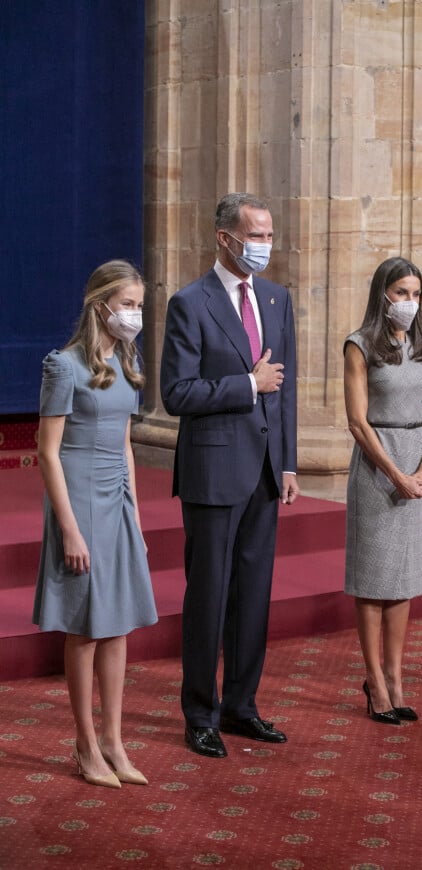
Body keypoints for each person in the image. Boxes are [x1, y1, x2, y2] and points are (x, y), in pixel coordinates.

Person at [160, 192, 299, 759]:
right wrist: (247, 385)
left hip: (266, 472)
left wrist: (288, 462)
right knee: (210, 597)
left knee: (253, 598)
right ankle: (200, 713)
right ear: (225, 238)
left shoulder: (276, 298)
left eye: (268, 235)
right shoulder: (189, 303)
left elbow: (283, 388)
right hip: (213, 472)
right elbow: (176, 393)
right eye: (255, 235)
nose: (264, 245)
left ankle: (242, 707)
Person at [33, 260, 158, 788]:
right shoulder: (64, 366)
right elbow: (47, 452)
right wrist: (69, 528)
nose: (134, 315)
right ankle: (85, 744)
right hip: (79, 502)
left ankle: (114, 740)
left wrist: (135, 514)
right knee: (86, 626)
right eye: (127, 305)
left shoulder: (128, 364)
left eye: (139, 307)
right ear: (100, 304)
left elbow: (126, 444)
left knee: (118, 624)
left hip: (117, 502)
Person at [344, 257, 422, 725]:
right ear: (383, 293)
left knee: (403, 580)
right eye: (402, 292)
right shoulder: (360, 345)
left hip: (414, 466)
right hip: (376, 466)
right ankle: (375, 683)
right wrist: (396, 474)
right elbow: (357, 422)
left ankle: (396, 678)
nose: (409, 302)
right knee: (373, 581)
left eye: (416, 294)